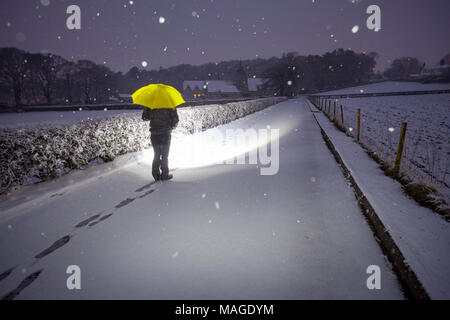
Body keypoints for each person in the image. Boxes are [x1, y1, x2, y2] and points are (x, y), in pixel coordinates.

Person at [142, 106, 179, 181]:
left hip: (154, 133)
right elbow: (176, 120)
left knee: (156, 154)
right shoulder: (170, 104)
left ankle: (156, 174)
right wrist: (170, 127)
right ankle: (165, 174)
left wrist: (148, 109)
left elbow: (145, 117)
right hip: (165, 133)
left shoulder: (151, 104)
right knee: (165, 155)